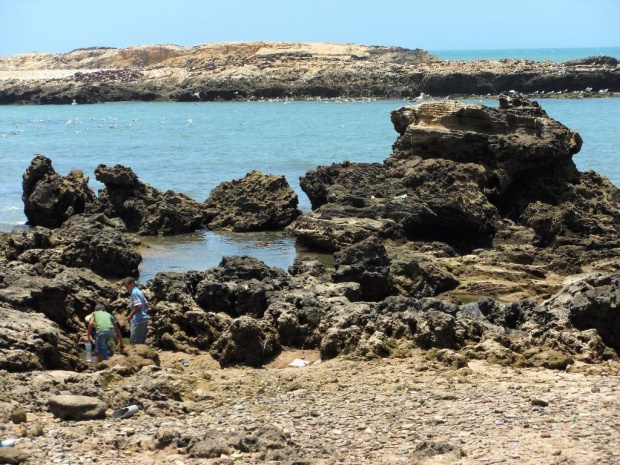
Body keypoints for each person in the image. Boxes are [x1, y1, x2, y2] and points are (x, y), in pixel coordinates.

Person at [122, 277, 149, 345]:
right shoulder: (140, 291)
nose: (126, 289)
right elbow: (147, 305)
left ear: (132, 284)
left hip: (138, 319)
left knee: (134, 342)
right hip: (144, 318)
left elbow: (138, 306)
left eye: (127, 287)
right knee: (142, 341)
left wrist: (130, 316)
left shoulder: (134, 293)